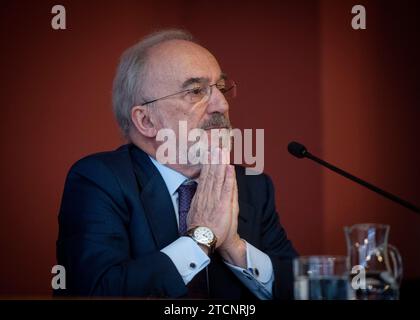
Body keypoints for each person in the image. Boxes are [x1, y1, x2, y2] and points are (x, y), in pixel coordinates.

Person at [56, 29, 297, 299]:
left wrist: (235, 247)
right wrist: (201, 239)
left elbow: (296, 289)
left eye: (220, 87)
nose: (221, 104)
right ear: (146, 121)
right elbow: (97, 291)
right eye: (196, 91)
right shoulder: (99, 179)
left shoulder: (252, 184)